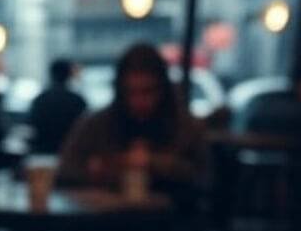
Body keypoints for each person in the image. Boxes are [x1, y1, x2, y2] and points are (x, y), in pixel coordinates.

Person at [57, 43, 207, 202]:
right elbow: (66, 170)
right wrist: (101, 169)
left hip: (170, 222)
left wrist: (155, 163)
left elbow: (204, 179)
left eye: (147, 91)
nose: (139, 102)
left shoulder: (185, 127)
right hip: (105, 221)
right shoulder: (96, 124)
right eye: (131, 92)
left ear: (163, 90)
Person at [28, 59, 87, 154]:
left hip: (43, 152)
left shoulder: (40, 100)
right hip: (71, 152)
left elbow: (32, 125)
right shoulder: (77, 100)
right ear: (69, 75)